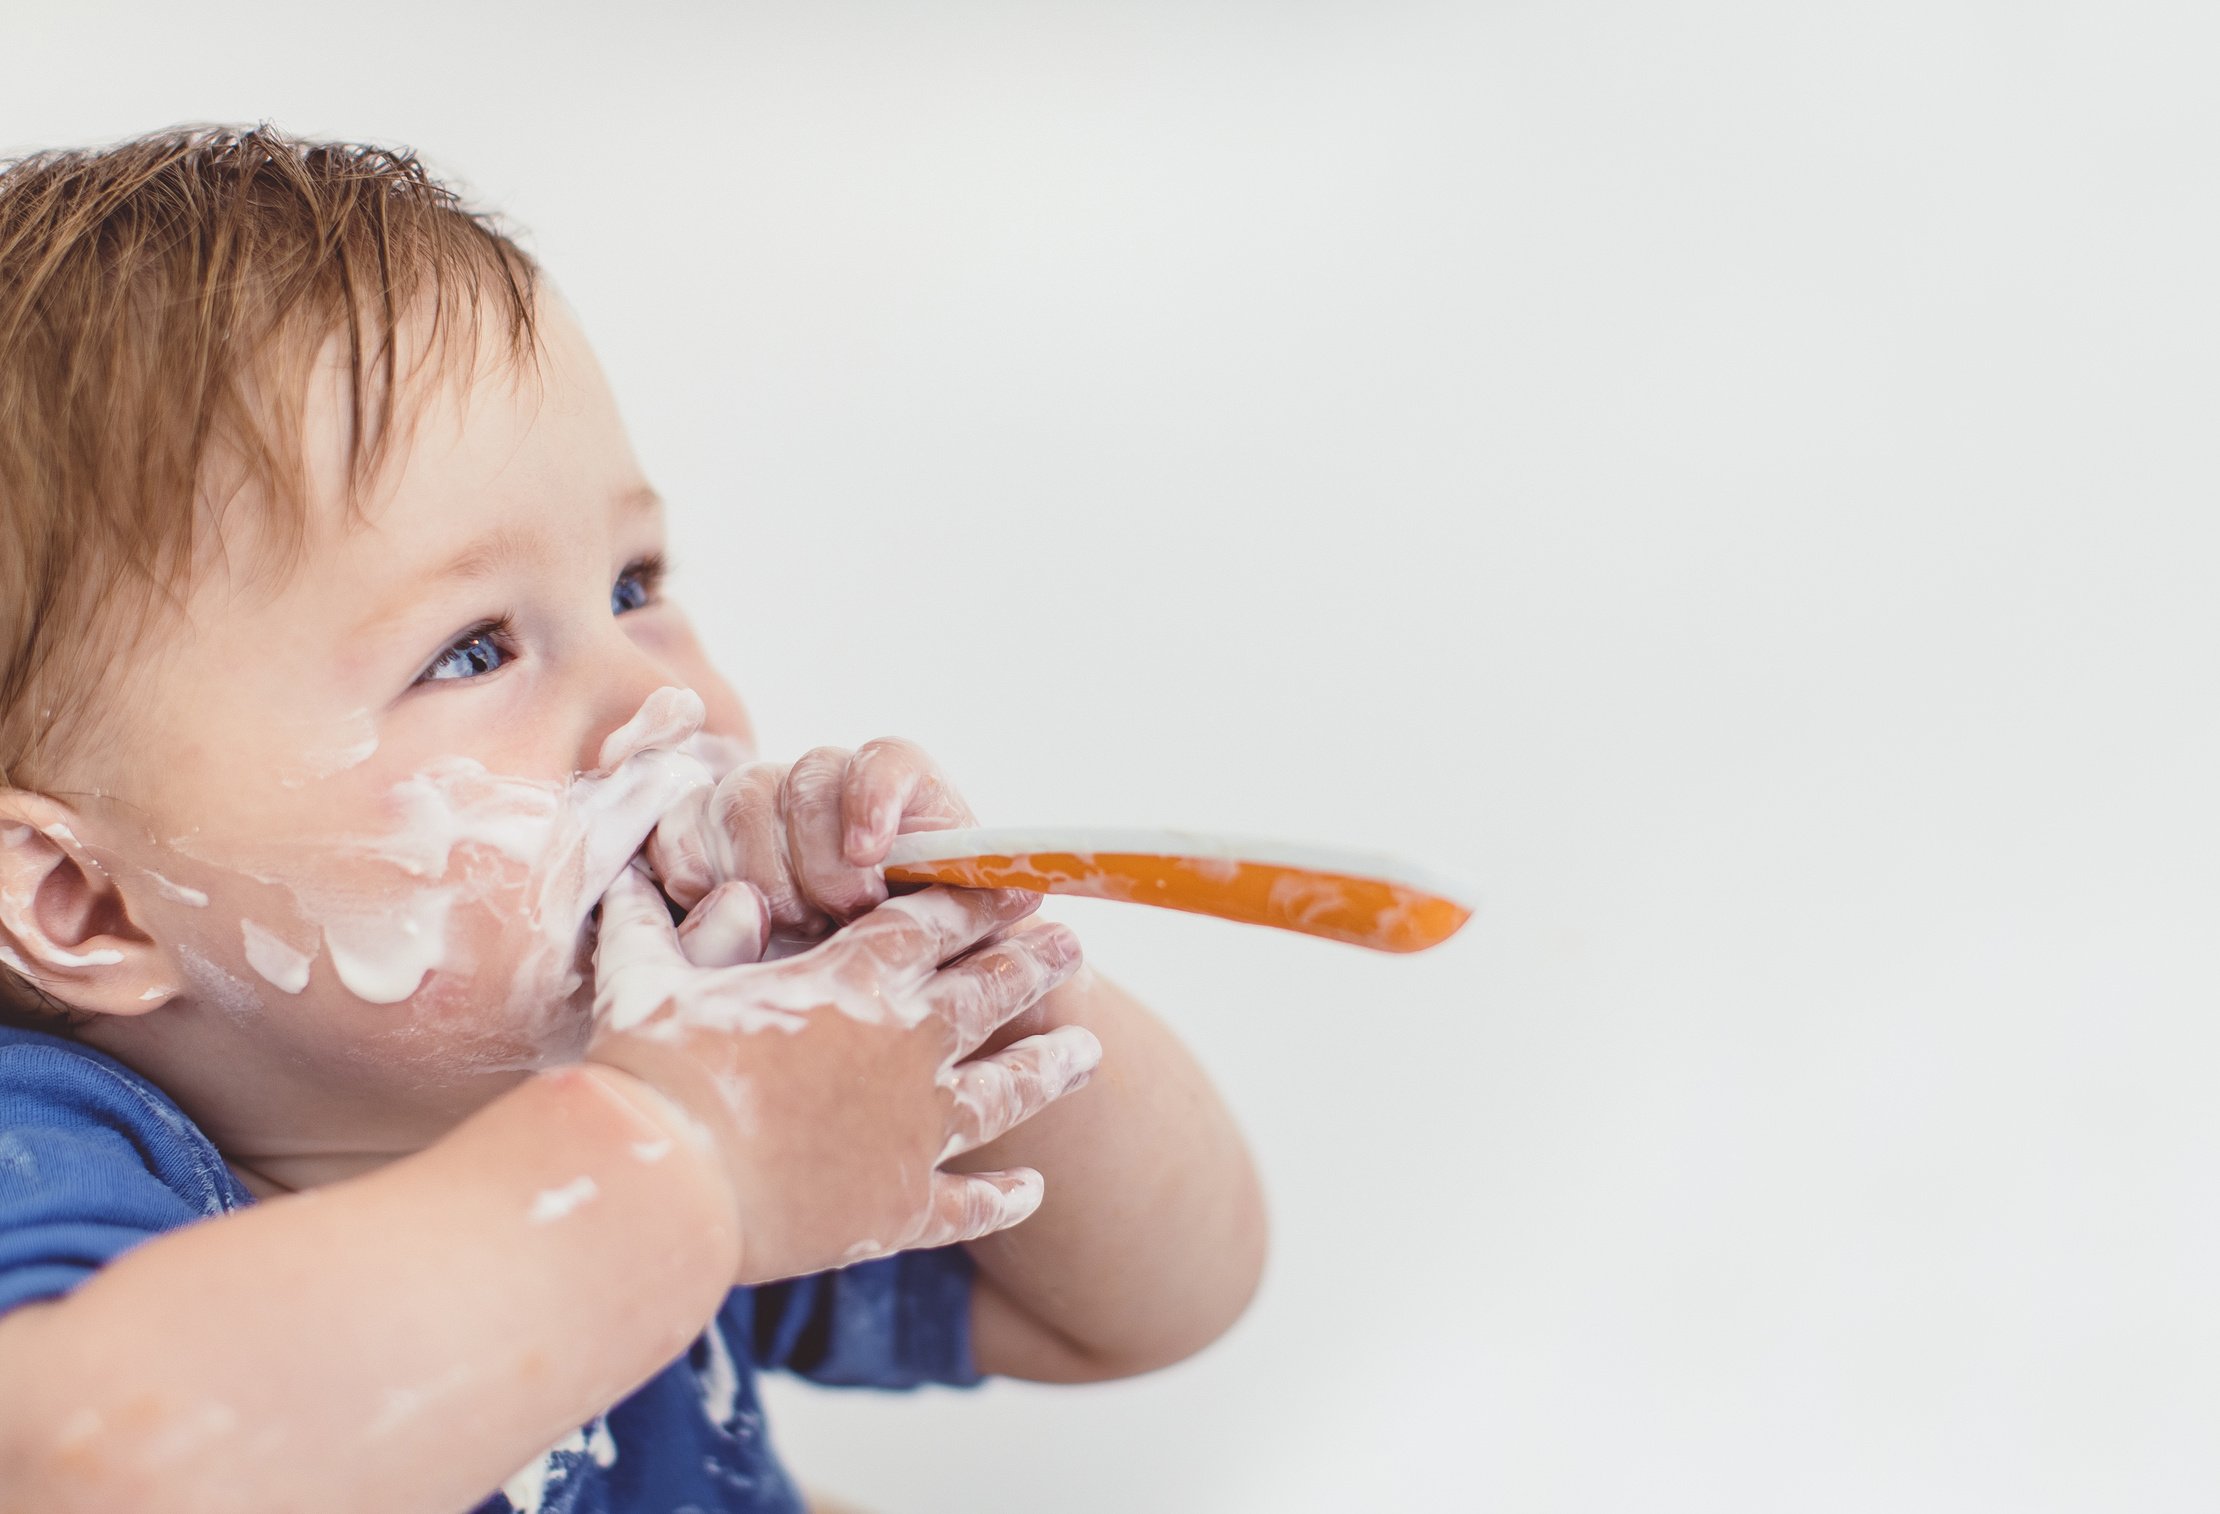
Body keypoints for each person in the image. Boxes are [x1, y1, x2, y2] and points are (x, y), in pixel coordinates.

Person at [0, 127, 1266, 1513]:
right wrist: (682, 1170)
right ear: (85, 903)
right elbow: (90, 1461)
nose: (653, 699)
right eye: (472, 649)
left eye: (632, 583)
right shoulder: (55, 1155)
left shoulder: (675, 1054)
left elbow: (1144, 1308)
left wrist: (979, 986)